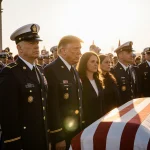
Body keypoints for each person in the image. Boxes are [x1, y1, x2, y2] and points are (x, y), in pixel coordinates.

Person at [0, 23, 49, 150]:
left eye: (37, 43)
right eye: (31, 43)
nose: (36, 46)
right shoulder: (10, 72)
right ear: (19, 48)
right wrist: (14, 143)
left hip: (41, 138)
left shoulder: (39, 70)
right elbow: (8, 113)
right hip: (24, 141)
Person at [44, 35, 83, 150]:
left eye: (80, 49)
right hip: (62, 133)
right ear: (62, 51)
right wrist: (57, 136)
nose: (79, 52)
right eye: (75, 49)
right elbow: (52, 106)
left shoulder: (74, 70)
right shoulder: (51, 70)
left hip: (75, 129)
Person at [77, 52, 104, 128]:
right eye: (92, 61)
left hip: (99, 122)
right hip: (85, 124)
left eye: (97, 62)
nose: (96, 64)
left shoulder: (98, 81)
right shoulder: (79, 81)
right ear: (84, 63)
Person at [111, 41, 135, 105]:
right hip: (121, 108)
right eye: (128, 52)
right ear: (120, 55)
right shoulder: (113, 71)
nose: (131, 55)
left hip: (131, 105)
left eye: (131, 52)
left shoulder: (131, 69)